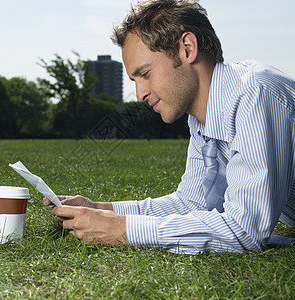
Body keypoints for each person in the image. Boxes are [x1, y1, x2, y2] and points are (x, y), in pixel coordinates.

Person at [43, 0, 295, 254]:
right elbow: (191, 203)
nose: (140, 94)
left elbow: (244, 230)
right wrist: (103, 210)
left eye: (145, 74)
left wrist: (122, 229)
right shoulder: (202, 117)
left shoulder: (255, 94)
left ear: (187, 49)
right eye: (134, 80)